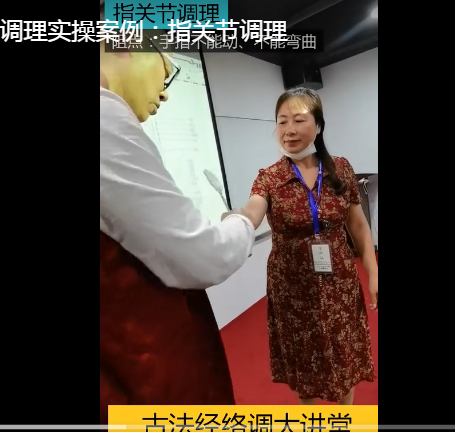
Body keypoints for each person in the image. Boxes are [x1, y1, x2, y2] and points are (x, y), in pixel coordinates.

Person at [99, 4, 256, 425]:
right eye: (166, 69)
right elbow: (202, 257)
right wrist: (243, 220)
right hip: (145, 373)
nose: (166, 92)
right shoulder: (106, 117)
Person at [232, 87, 377, 405]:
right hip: (292, 290)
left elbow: (358, 226)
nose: (289, 130)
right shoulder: (269, 178)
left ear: (319, 125)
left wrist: (373, 271)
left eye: (298, 120)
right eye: (282, 121)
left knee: (344, 356)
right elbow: (253, 210)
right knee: (304, 363)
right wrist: (237, 221)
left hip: (339, 283)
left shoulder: (341, 168)